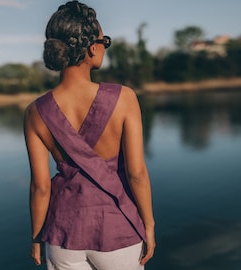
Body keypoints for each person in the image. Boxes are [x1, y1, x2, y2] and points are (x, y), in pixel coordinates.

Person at [23, 1, 155, 269]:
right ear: (92, 47)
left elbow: (40, 186)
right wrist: (149, 225)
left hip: (62, 234)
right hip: (118, 229)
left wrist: (37, 237)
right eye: (104, 40)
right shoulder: (124, 98)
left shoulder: (35, 112)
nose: (104, 47)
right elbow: (137, 173)